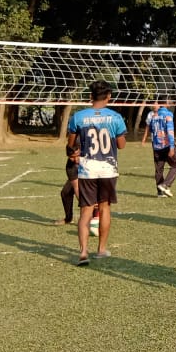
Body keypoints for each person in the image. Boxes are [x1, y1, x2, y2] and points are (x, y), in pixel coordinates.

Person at [67, 80, 127, 266]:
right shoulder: (116, 117)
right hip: (108, 169)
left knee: (86, 211)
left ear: (90, 96)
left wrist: (74, 152)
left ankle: (83, 252)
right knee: (104, 208)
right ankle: (101, 250)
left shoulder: (78, 117)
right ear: (109, 96)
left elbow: (70, 144)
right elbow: (121, 145)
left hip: (87, 169)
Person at [141, 96, 176, 197]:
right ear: (166, 103)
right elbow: (170, 131)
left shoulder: (153, 116)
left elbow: (151, 129)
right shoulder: (168, 114)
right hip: (166, 145)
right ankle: (164, 185)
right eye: (169, 101)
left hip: (156, 146)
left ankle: (160, 193)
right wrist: (171, 147)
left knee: (159, 169)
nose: (171, 103)